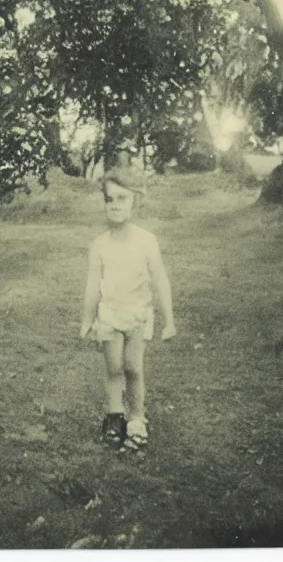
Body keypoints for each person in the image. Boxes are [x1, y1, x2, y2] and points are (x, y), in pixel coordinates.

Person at [80, 169, 176, 450]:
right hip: (109, 315)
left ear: (136, 201)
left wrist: (168, 320)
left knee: (133, 367)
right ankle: (114, 416)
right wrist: (87, 318)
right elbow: (93, 285)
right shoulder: (99, 244)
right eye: (110, 199)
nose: (115, 205)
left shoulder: (146, 241)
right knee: (114, 367)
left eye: (122, 198)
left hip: (137, 315)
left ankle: (136, 417)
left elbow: (160, 279)